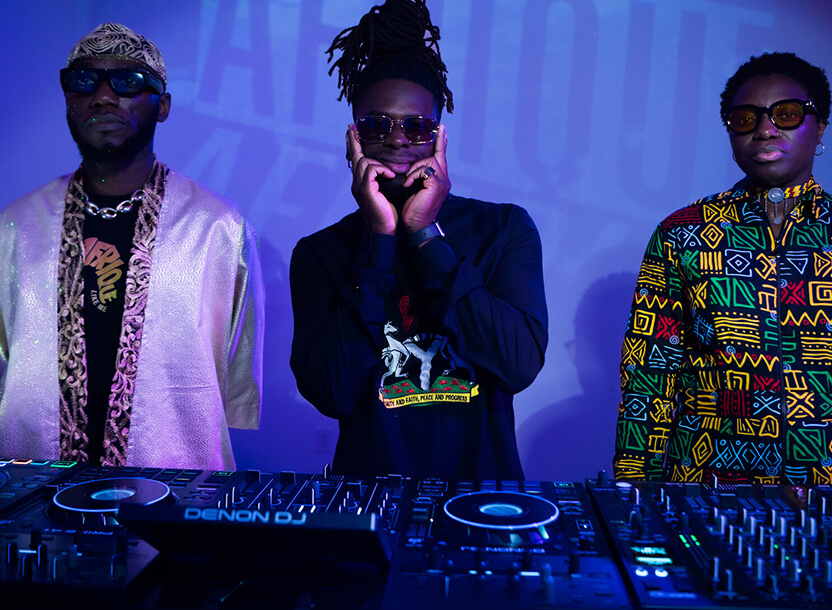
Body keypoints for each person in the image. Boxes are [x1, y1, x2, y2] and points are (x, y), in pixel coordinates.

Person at [614, 52, 832, 487]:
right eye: (745, 118)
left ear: (819, 127)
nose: (765, 128)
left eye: (786, 114)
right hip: (712, 493)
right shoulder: (681, 234)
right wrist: (634, 495)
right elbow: (649, 376)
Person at [290, 0, 547, 480]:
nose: (398, 138)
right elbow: (331, 391)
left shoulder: (504, 229)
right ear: (353, 139)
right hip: (366, 508)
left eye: (416, 126)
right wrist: (380, 240)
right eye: (377, 125)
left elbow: (519, 365)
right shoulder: (320, 253)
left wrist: (426, 235)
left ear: (439, 136)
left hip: (481, 504)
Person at [0, 23, 264, 470]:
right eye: (83, 81)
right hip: (31, 488)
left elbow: (237, 361)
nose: (102, 96)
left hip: (173, 484)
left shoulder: (218, 228)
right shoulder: (15, 228)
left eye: (127, 82)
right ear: (67, 97)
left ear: (162, 105)